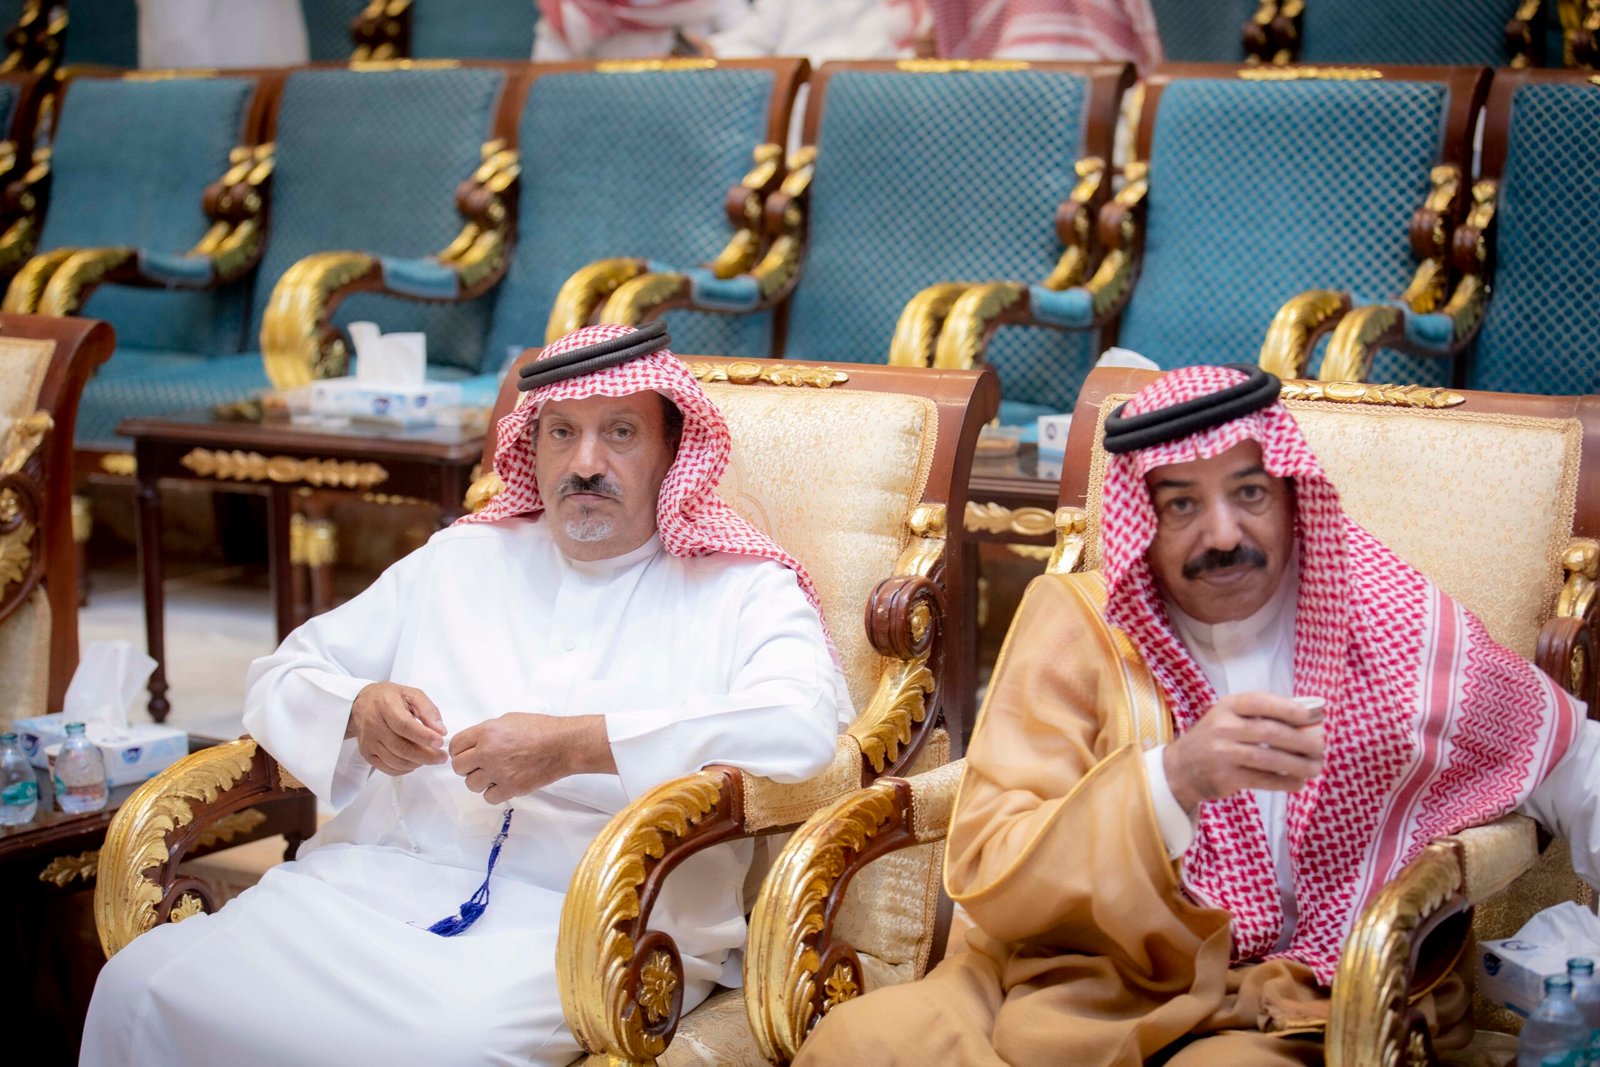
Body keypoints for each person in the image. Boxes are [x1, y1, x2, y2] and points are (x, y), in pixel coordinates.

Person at [81, 322, 850, 1066]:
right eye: (561, 433)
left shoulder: (743, 589)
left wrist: (579, 744)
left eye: (620, 432)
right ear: (531, 447)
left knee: (442, 1052)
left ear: (672, 450)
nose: (585, 462)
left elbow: (802, 727)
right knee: (140, 985)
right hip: (375, 885)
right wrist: (358, 708)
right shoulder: (461, 558)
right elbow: (282, 673)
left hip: (598, 924)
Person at [796, 363, 1600, 1065]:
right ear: (1142, 523)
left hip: (1297, 995)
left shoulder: (1398, 626)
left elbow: (1572, 762)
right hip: (1069, 976)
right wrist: (1171, 780)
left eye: (1248, 493)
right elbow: (992, 870)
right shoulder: (1077, 625)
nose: (1222, 534)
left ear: (1290, 494)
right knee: (862, 1045)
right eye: (1181, 505)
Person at [533, 0, 745, 61]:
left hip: (694, 108)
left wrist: (711, 53)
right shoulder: (573, 7)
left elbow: (747, 48)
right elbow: (546, 78)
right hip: (607, 112)